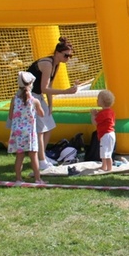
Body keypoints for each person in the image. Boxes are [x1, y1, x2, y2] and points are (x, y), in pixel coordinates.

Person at [27, 37, 79, 171]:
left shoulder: (56, 64)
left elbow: (49, 85)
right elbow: (44, 88)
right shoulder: (47, 64)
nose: (68, 58)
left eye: (70, 56)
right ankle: (42, 160)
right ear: (57, 52)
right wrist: (66, 92)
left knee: (49, 125)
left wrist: (50, 105)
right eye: (66, 55)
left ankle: (42, 155)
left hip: (37, 96)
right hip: (29, 96)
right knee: (40, 129)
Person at [8, 71, 46, 183]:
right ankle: (38, 179)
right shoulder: (34, 101)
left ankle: (18, 179)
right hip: (29, 132)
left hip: (17, 132)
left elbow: (10, 116)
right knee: (33, 156)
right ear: (31, 84)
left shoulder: (14, 100)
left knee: (19, 156)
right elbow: (42, 114)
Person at [91, 90, 116, 171]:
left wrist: (92, 115)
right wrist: (97, 114)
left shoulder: (103, 113)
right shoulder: (110, 111)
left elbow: (94, 123)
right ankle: (104, 166)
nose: (97, 100)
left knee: (106, 153)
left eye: (98, 99)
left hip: (106, 135)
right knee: (105, 152)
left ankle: (109, 168)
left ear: (102, 102)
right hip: (111, 134)